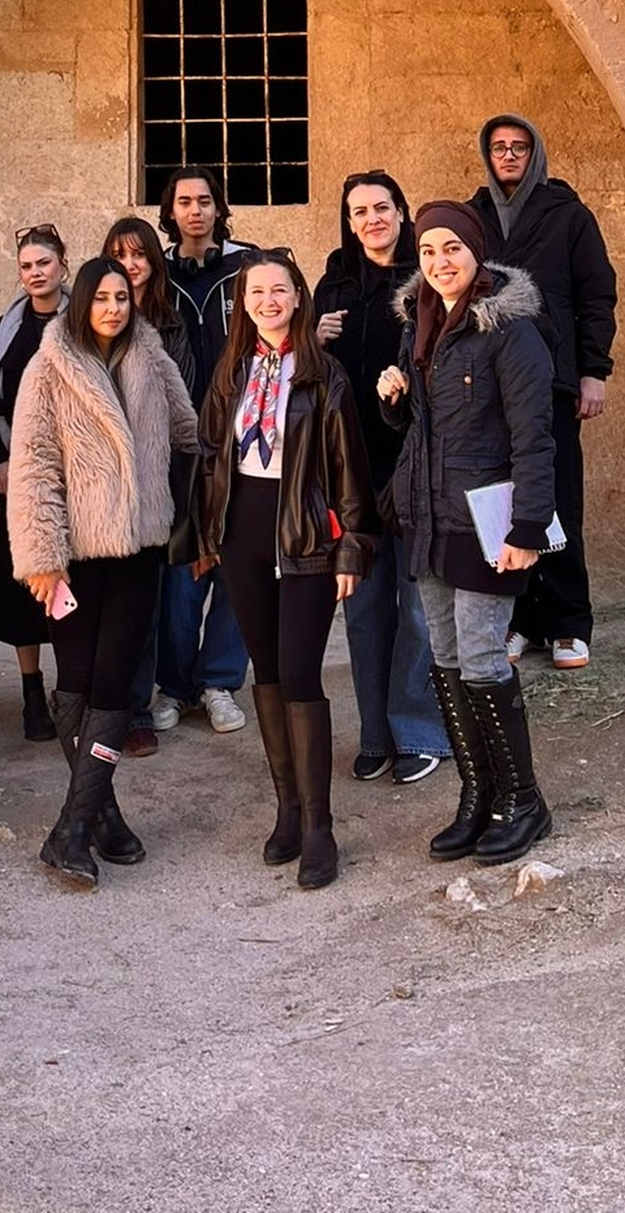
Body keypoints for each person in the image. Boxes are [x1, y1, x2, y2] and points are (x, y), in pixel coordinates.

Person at [8, 255, 198, 889]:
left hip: (139, 548)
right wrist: (42, 557)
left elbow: (189, 435)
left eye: (122, 297)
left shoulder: (153, 359)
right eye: (101, 298)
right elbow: (33, 464)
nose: (114, 308)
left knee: (115, 683)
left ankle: (71, 826)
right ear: (82, 302)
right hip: (74, 556)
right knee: (78, 682)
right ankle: (101, 814)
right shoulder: (48, 366)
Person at [376, 201, 555, 865]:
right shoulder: (420, 324)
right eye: (428, 251)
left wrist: (528, 526)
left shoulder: (510, 332)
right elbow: (424, 429)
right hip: (428, 519)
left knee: (482, 658)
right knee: (447, 660)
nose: (440, 261)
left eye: (452, 247)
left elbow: (535, 436)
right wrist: (395, 402)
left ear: (476, 251)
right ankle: (478, 795)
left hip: (487, 522)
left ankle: (524, 801)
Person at [192, 251, 375, 891]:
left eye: (280, 290)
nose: (268, 301)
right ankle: (288, 810)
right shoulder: (231, 371)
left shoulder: (323, 373)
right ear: (242, 304)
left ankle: (321, 826)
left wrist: (352, 547)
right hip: (243, 530)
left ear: (299, 297)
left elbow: (350, 467)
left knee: (300, 673)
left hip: (305, 535)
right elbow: (210, 453)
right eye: (256, 292)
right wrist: (207, 534)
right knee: (265, 672)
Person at [470, 115, 618, 671]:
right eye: (499, 147)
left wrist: (593, 371)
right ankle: (520, 622)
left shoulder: (568, 215)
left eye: (519, 147)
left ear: (536, 154)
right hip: (488, 380)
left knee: (557, 496)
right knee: (503, 498)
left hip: (553, 377)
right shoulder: (474, 217)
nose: (508, 155)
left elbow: (596, 296)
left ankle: (567, 624)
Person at [314, 169, 446, 785]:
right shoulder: (334, 284)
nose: (372, 219)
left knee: (418, 609)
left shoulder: (427, 280)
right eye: (359, 211)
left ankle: (417, 730)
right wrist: (313, 340)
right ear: (349, 220)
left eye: (382, 208)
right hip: (353, 471)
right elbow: (304, 374)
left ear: (401, 212)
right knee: (365, 610)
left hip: (414, 465)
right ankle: (375, 734)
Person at [152, 166, 253, 735]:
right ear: (170, 211)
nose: (195, 210)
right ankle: (174, 686)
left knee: (235, 560)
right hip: (176, 443)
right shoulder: (156, 272)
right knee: (179, 567)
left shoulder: (247, 267)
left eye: (205, 200)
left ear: (219, 208)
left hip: (241, 437)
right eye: (184, 201)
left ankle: (219, 681)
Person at [0, 224, 69, 742]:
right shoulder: (2, 329)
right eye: (27, 266)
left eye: (44, 263)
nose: (35, 273)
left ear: (63, 266)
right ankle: (32, 691)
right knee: (23, 587)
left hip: (74, 473)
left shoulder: (84, 321)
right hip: (17, 471)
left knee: (69, 584)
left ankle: (72, 689)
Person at [103, 215, 186, 756]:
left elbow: (183, 403)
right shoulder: (86, 319)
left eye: (139, 255)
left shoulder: (170, 324)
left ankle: (135, 710)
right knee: (97, 604)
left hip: (153, 481)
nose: (130, 265)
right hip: (98, 484)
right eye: (120, 255)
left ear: (154, 262)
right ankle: (96, 707)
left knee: (143, 606)